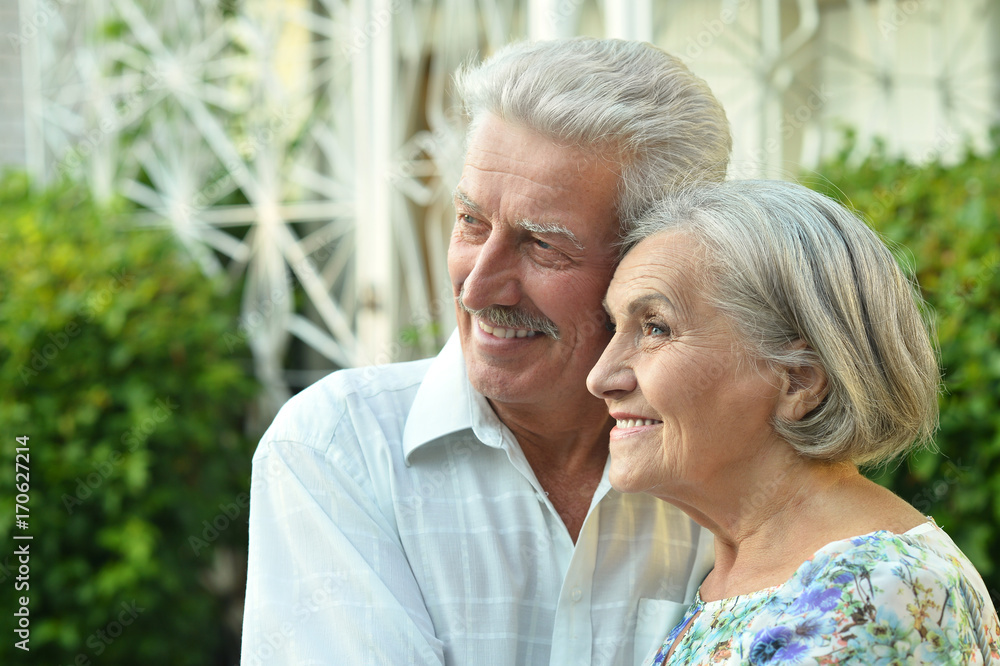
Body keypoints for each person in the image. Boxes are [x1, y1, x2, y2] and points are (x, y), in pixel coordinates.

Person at [241, 38, 732, 665]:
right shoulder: (338, 448)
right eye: (471, 221)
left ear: (652, 262)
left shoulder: (727, 460)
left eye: (541, 246)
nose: (476, 286)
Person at [587, 179, 1000, 665]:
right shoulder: (743, 576)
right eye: (614, 327)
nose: (601, 377)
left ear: (798, 381)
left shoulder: (870, 593)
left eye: (655, 327)